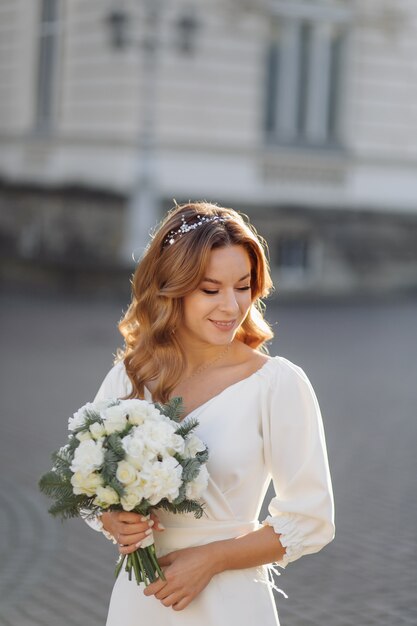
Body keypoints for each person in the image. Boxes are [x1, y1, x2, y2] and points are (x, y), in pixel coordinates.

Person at [89, 201, 335, 625]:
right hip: (142, 599)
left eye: (243, 286)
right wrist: (114, 518)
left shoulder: (276, 385)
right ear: (172, 287)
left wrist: (212, 559)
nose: (231, 306)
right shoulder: (129, 379)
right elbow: (87, 482)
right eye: (210, 289)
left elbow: (311, 520)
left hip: (231, 602)